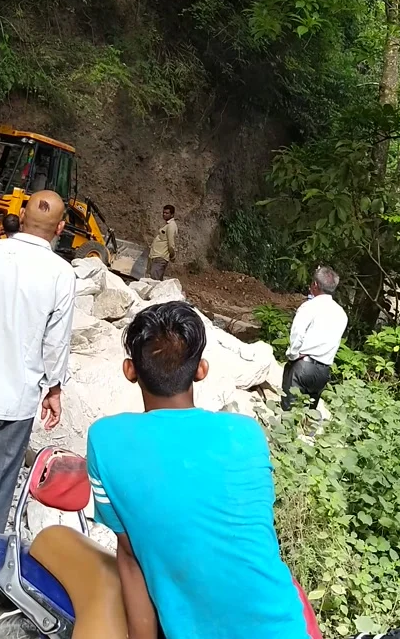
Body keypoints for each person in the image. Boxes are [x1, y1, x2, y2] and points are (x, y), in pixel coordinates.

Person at [87, 301, 309, 639]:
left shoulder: (105, 440)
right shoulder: (246, 434)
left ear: (129, 370)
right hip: (286, 626)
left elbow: (131, 556)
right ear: (201, 370)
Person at [0, 190, 76, 580]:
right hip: (14, 401)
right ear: (60, 228)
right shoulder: (61, 274)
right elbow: (55, 342)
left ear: (21, 216)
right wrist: (54, 389)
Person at [282, 266, 348, 411]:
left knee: (289, 413)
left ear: (315, 285)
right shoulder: (341, 313)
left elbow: (297, 334)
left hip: (303, 366)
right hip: (323, 372)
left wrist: (293, 356)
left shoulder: (309, 307)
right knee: (309, 415)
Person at [148, 205, 177, 281]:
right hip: (156, 256)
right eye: (163, 212)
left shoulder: (171, 226)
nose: (164, 214)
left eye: (167, 213)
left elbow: (171, 244)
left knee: (154, 281)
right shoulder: (167, 225)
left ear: (172, 215)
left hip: (161, 257)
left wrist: (172, 256)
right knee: (155, 280)